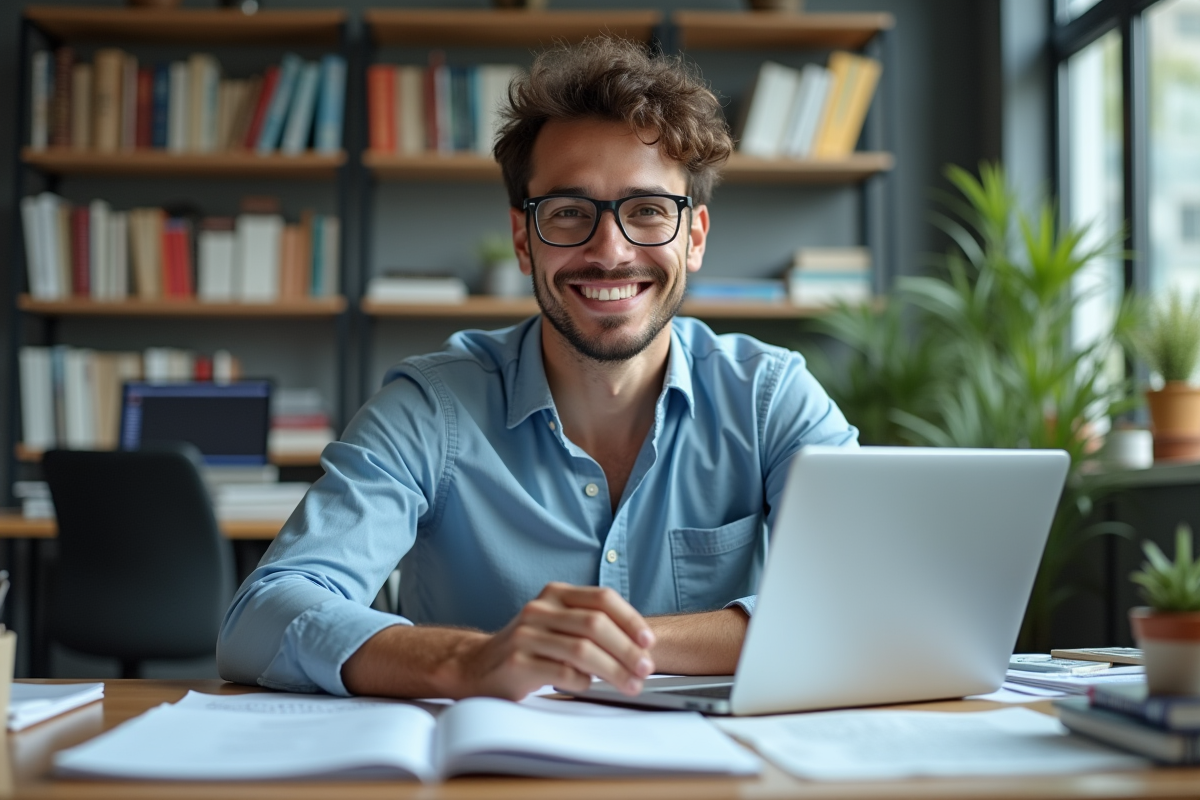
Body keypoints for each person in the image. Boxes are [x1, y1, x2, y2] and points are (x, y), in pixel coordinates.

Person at [217, 37, 857, 701]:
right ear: (524, 240)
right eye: (570, 213)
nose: (609, 252)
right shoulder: (431, 408)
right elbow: (261, 618)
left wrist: (615, 643)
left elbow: (865, 598)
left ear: (692, 237)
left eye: (647, 211)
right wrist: (470, 661)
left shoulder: (771, 397)